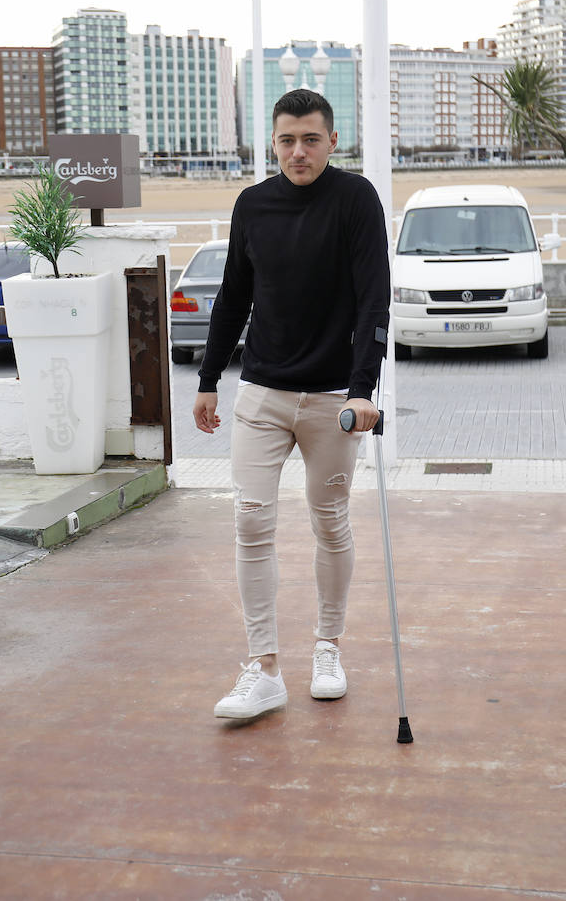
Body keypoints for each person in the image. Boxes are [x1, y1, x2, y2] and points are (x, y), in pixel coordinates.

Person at [193, 89, 390, 720]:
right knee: (251, 520)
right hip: (263, 391)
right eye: (286, 140)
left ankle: (327, 648)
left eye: (309, 139)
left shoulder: (356, 200)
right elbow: (232, 299)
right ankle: (264, 668)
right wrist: (207, 378)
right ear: (272, 143)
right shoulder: (252, 205)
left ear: (332, 141)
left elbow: (372, 301)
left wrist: (363, 389)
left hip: (334, 396)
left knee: (328, 521)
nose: (297, 151)